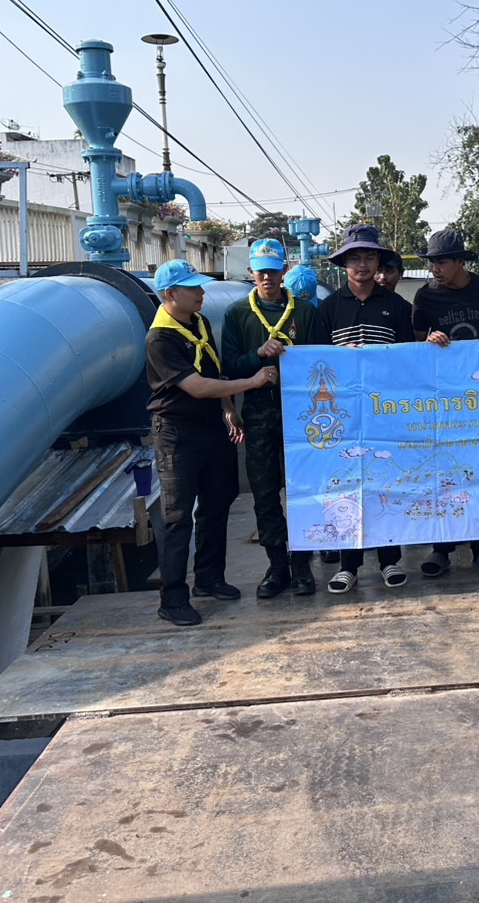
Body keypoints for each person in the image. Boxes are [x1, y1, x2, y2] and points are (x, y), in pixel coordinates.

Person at [147, 259, 279, 627]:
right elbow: (196, 386)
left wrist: (228, 409)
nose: (201, 293)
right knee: (177, 517)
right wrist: (251, 383)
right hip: (177, 433)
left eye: (200, 287)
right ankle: (173, 598)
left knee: (217, 503)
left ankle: (209, 577)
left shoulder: (199, 322)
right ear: (170, 294)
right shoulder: (161, 339)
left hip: (211, 426)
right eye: (192, 288)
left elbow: (213, 371)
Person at [309, 224, 417, 592]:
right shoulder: (328, 308)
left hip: (385, 413)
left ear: (378, 262)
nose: (362, 264)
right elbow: (316, 361)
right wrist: (343, 359)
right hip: (343, 416)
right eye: (355, 258)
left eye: (369, 257)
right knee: (346, 484)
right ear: (344, 263)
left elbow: (408, 361)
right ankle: (348, 565)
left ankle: (390, 560)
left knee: (387, 481)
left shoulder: (397, 307)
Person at [412, 228, 479, 578]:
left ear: (460, 261)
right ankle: (440, 548)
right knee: (443, 469)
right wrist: (430, 339)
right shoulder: (425, 297)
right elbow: (414, 345)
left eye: (442, 262)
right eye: (432, 262)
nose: (435, 269)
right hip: (442, 400)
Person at [222, 239, 317, 598]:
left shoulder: (304, 312)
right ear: (250, 272)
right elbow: (229, 366)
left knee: (303, 490)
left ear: (284, 271)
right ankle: (277, 565)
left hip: (302, 414)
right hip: (260, 413)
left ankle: (303, 564)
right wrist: (257, 356)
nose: (267, 277)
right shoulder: (237, 314)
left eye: (273, 271)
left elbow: (322, 359)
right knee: (264, 493)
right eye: (260, 271)